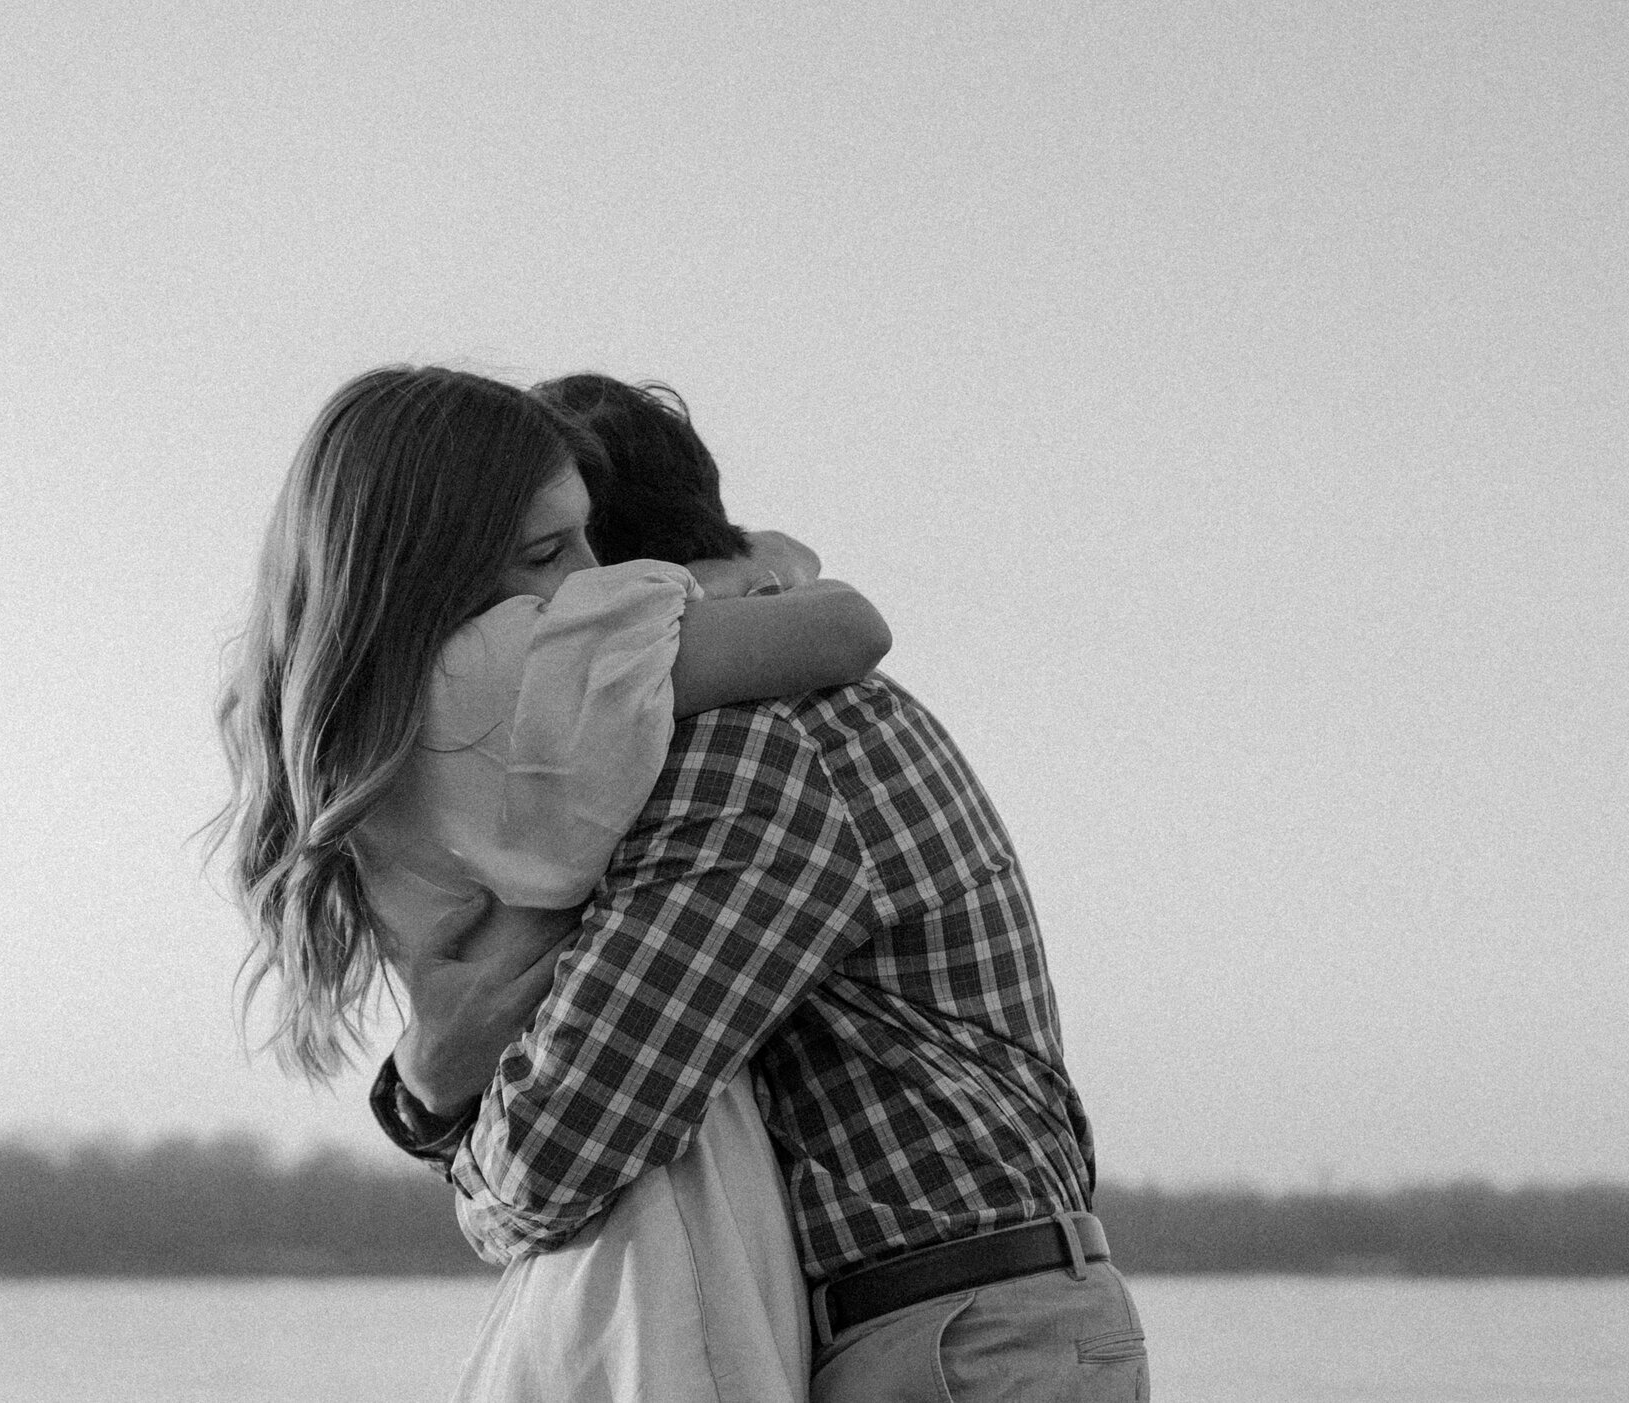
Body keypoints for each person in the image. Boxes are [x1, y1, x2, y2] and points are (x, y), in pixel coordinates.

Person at [375, 374, 1152, 1401]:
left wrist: (432, 1097)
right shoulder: (784, 708)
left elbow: (557, 1154)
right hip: (966, 1327)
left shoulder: (749, 749)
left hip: (953, 1343)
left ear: (618, 586)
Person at [215, 364, 889, 1402]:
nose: (587, 575)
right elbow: (848, 630)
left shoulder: (351, 701)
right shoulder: (501, 667)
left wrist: (433, 1096)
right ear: (429, 563)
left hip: (558, 1201)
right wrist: (745, 570)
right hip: (670, 1197)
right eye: (548, 550)